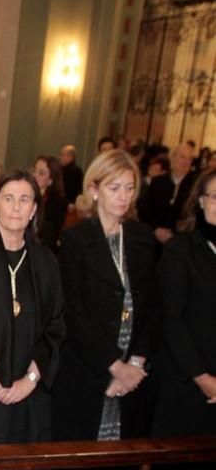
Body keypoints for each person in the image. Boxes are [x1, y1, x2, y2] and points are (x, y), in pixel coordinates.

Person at [53, 149, 161, 443]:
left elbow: (153, 307)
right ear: (94, 189)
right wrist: (115, 366)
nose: (123, 196)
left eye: (129, 188)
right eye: (115, 188)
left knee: (123, 460)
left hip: (133, 365)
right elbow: (74, 313)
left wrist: (136, 365)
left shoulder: (141, 236)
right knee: (79, 462)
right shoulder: (76, 239)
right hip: (90, 367)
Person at [0, 171, 65, 446]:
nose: (16, 207)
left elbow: (56, 325)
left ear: (34, 208)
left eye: (24, 200)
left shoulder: (47, 262)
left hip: (30, 390)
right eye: (8, 198)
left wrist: (31, 379)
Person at [152, 168, 216, 436]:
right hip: (187, 379)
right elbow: (171, 318)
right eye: (215, 196)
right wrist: (203, 379)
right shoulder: (180, 249)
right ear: (200, 200)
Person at [139, 142, 197, 246]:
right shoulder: (158, 182)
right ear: (172, 158)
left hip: (182, 242)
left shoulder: (195, 186)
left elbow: (194, 215)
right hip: (154, 240)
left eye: (190, 159)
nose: (186, 162)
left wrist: (175, 235)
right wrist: (156, 229)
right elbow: (145, 209)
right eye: (182, 157)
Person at [32, 155, 68, 251]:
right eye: (35, 171)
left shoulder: (57, 203)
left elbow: (50, 235)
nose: (35, 175)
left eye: (41, 173)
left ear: (51, 180)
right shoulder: (26, 196)